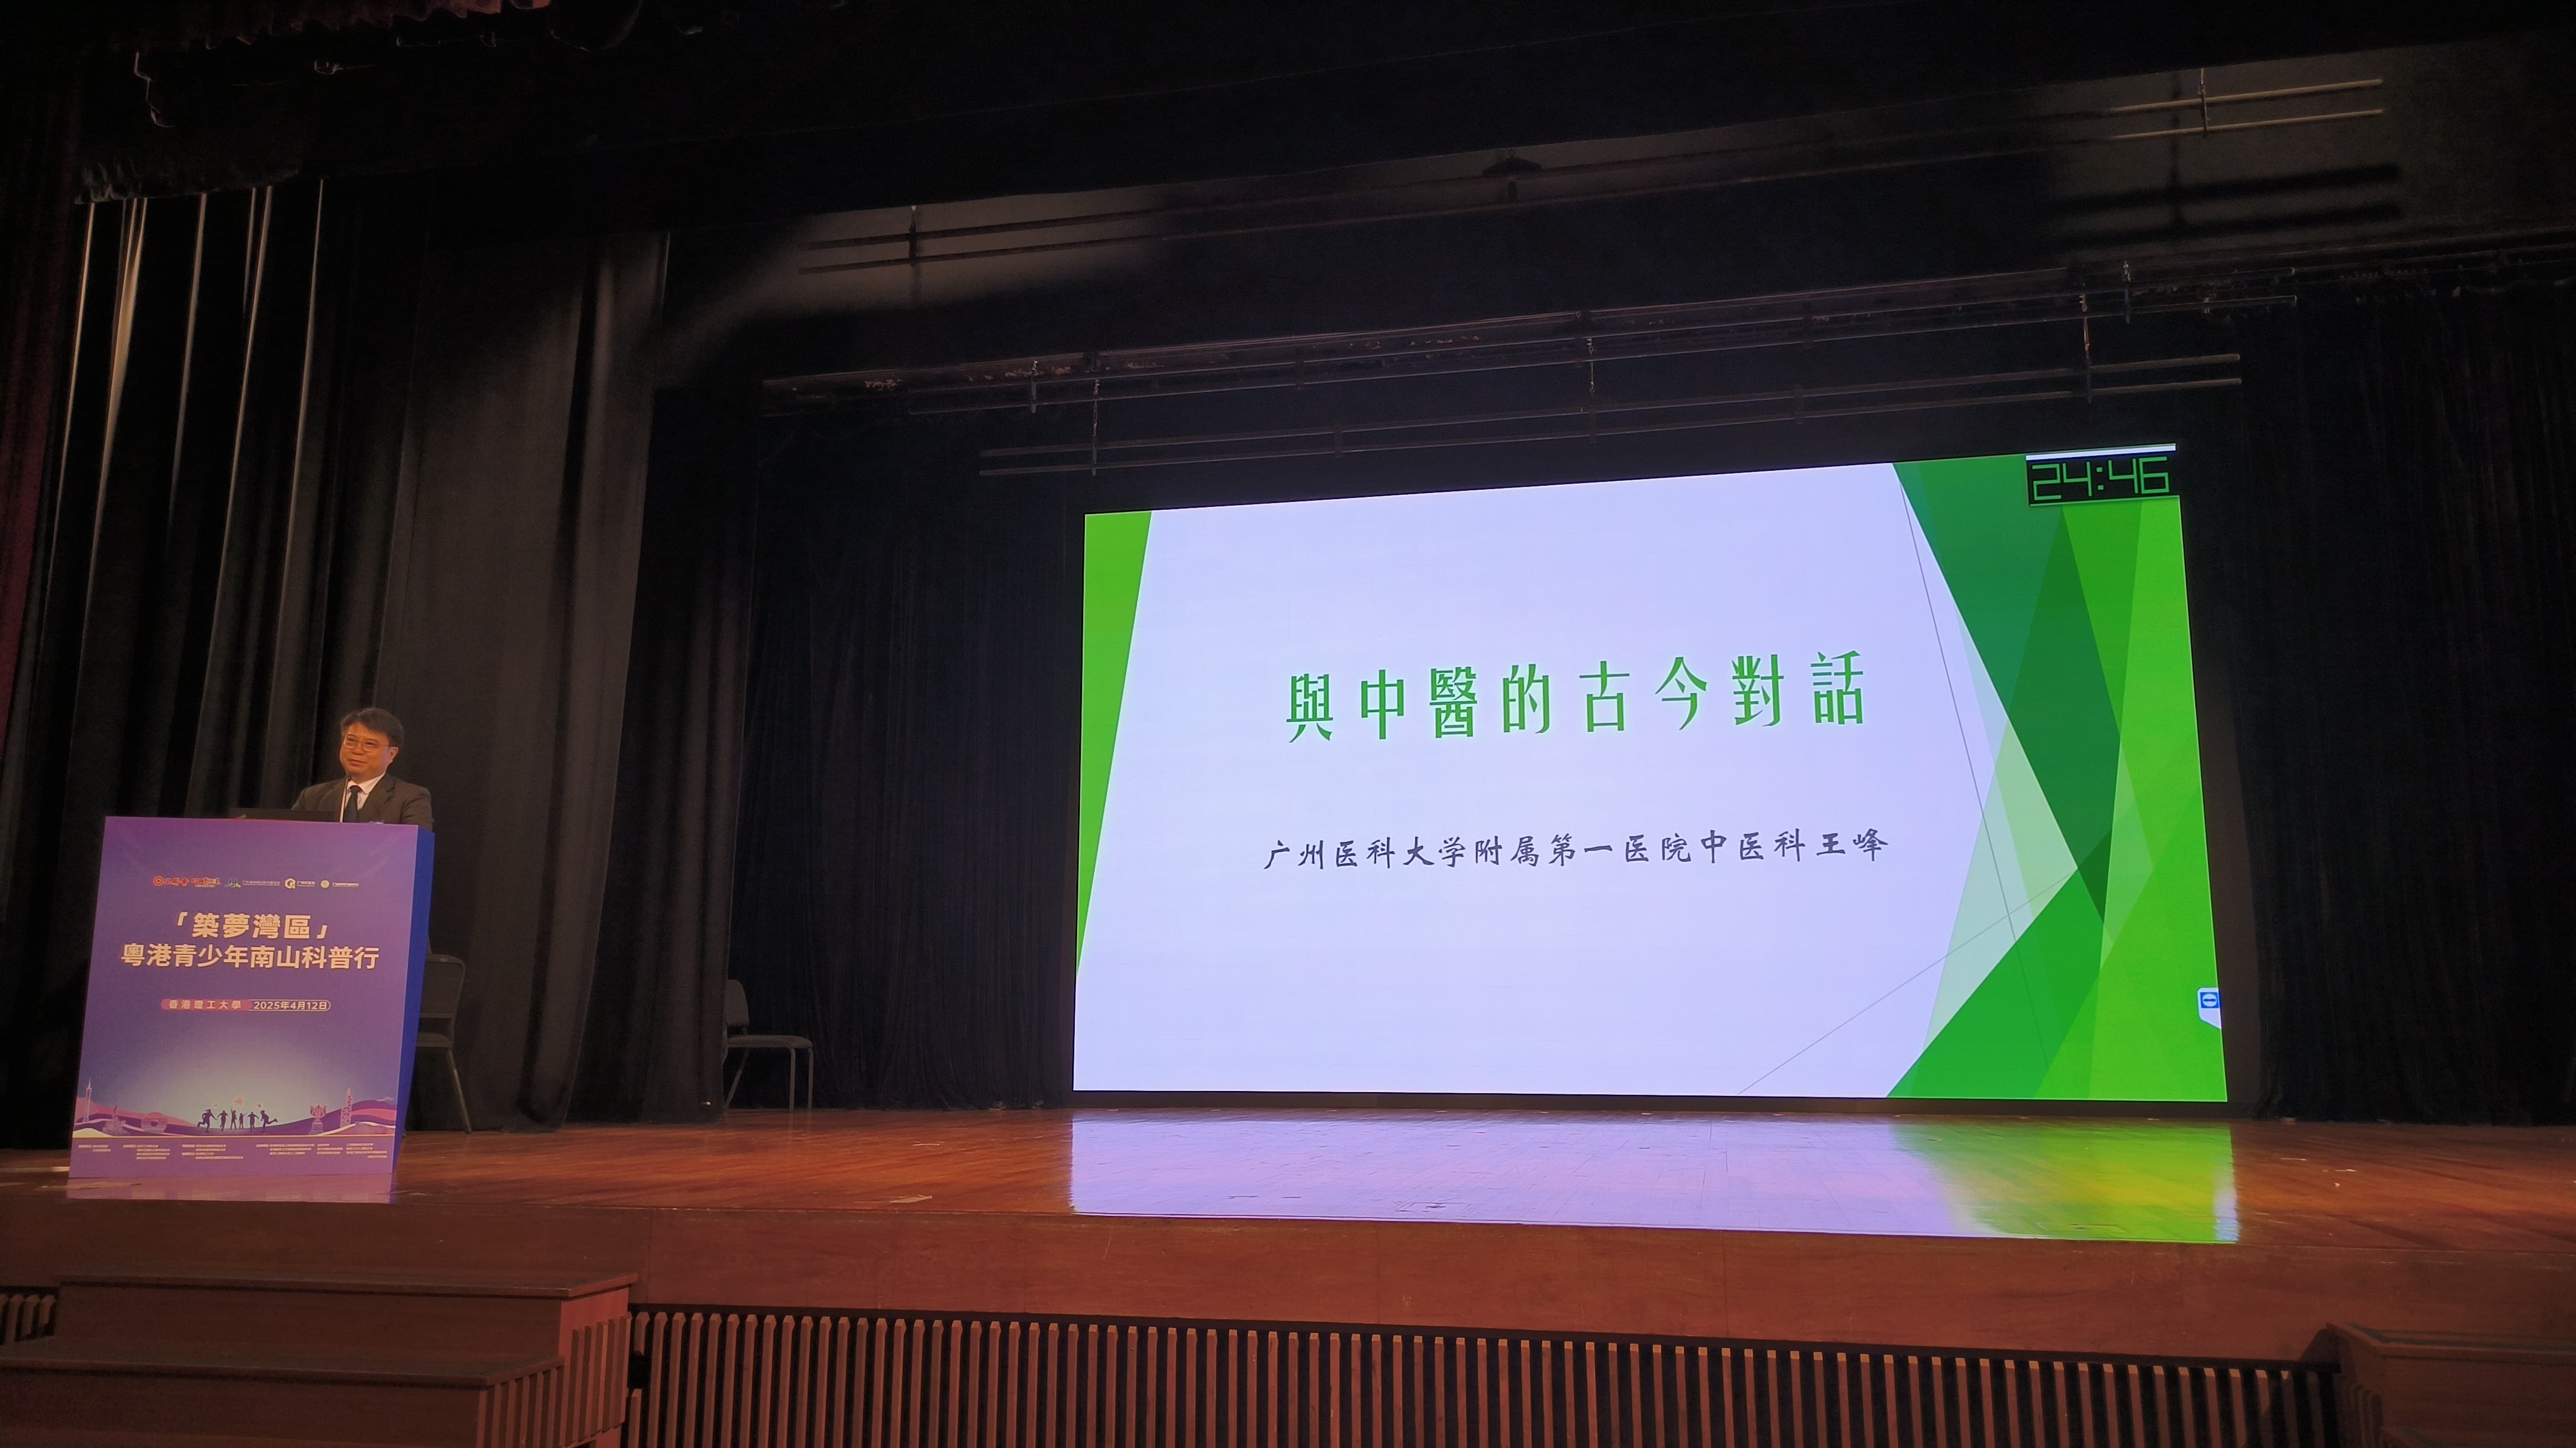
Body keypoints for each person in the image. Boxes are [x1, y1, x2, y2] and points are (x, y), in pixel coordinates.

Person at [294, 708, 434, 828]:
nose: (357, 750)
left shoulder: (411, 798)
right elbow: (290, 839)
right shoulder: (313, 797)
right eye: (351, 741)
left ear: (392, 754)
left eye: (370, 744)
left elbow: (414, 846)